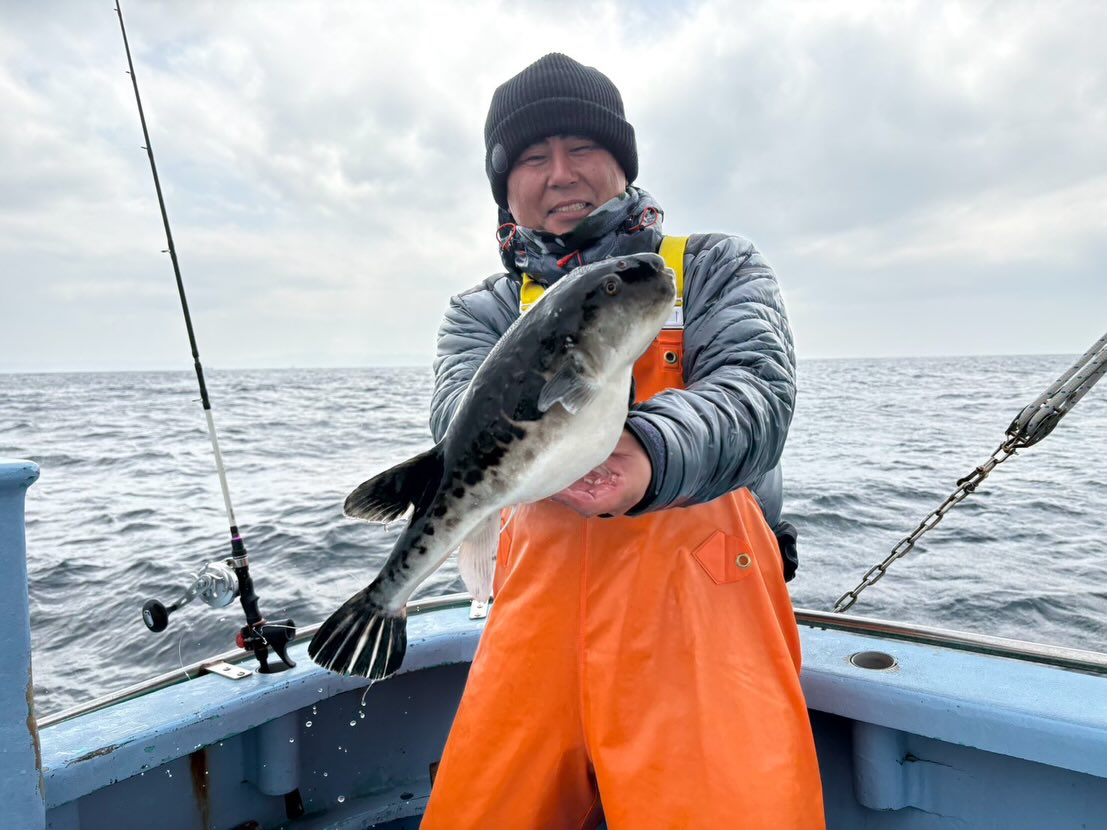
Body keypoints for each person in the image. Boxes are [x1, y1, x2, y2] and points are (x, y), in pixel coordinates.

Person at [420, 53, 824, 829]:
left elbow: (756, 393)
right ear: (504, 185)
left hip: (701, 618)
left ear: (622, 162)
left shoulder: (710, 266)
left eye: (582, 147)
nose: (560, 173)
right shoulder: (482, 311)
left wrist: (645, 452)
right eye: (532, 158)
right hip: (530, 621)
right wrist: (543, 445)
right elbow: (454, 421)